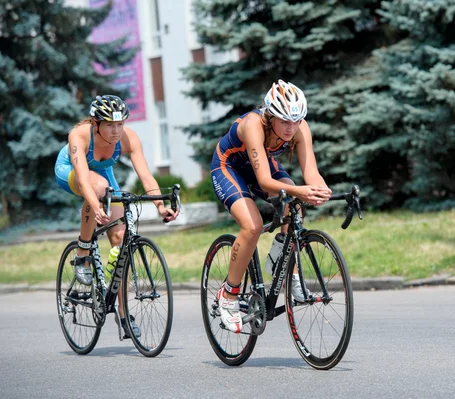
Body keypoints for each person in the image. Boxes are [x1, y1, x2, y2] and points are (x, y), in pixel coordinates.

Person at [210, 80, 332, 333]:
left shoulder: (300, 128)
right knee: (252, 226)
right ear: (270, 116)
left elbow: (311, 172)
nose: (291, 128)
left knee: (294, 208)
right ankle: (228, 294)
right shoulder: (253, 124)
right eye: (285, 121)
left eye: (296, 121)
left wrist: (320, 190)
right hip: (229, 168)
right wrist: (300, 190)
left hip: (260, 165)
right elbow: (265, 181)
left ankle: (287, 270)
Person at [54, 94, 179, 338]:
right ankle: (82, 253)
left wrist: (160, 206)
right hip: (69, 171)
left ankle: (122, 312)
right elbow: (82, 177)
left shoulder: (128, 138)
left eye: (120, 124)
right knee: (99, 188)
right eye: (110, 124)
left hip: (102, 175)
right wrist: (95, 205)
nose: (116, 130)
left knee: (121, 237)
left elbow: (145, 176)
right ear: (96, 123)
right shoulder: (79, 135)